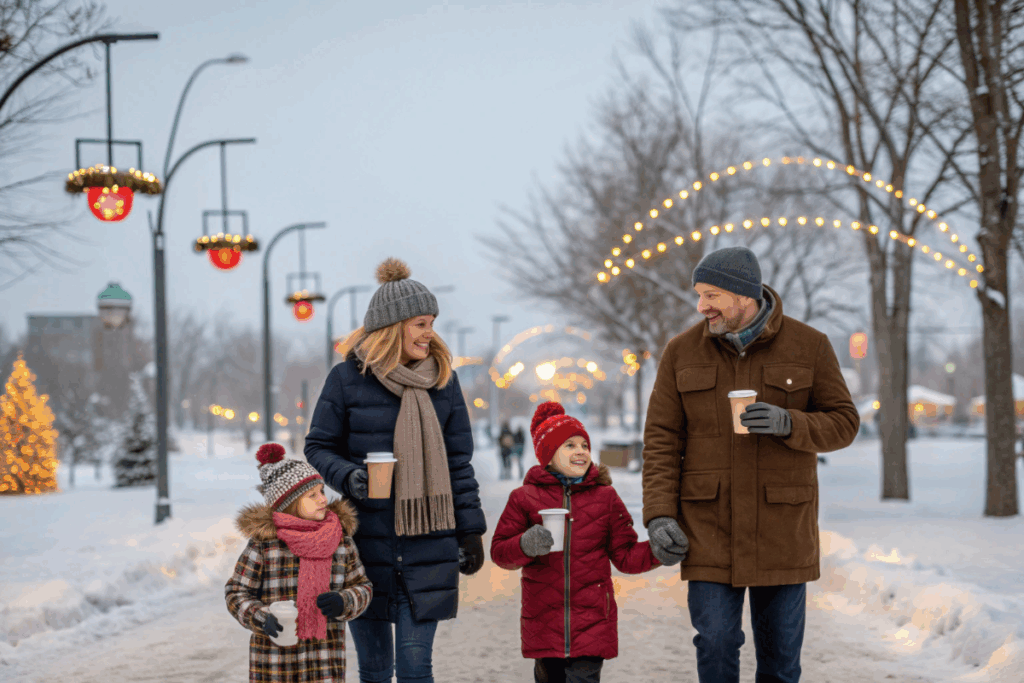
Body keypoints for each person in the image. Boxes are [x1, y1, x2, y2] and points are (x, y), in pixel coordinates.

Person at [641, 246, 859, 683]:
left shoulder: (809, 345)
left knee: (780, 660)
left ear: (744, 295)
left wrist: (789, 422)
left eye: (712, 295)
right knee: (716, 642)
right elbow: (661, 440)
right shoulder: (681, 352)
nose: (701, 306)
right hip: (708, 527)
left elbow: (844, 423)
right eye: (699, 295)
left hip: (781, 529)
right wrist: (659, 515)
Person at [304, 258, 487, 683]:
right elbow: (318, 446)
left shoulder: (444, 381)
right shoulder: (346, 380)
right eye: (420, 324)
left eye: (432, 324)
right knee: (374, 670)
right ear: (392, 327)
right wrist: (349, 476)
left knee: (415, 667)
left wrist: (471, 531)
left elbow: (458, 462)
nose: (429, 333)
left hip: (429, 542)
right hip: (364, 547)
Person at [491, 401, 659, 683]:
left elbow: (626, 555)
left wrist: (659, 550)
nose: (581, 451)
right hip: (543, 621)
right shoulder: (524, 498)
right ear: (548, 454)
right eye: (569, 445)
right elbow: (499, 552)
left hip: (593, 621)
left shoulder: (605, 497)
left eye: (584, 445)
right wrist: (524, 545)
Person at [225, 442, 373, 682]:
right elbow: (236, 592)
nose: (323, 500)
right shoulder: (265, 545)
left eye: (322, 491)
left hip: (324, 664)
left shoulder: (340, 542)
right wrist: (261, 617)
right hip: (275, 667)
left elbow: (363, 587)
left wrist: (344, 601)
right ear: (289, 503)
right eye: (312, 495)